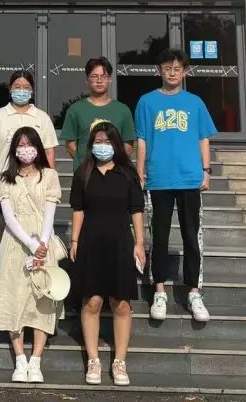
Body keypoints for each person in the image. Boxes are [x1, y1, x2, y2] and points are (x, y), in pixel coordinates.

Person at [135, 48, 216, 324]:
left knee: (192, 236)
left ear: (185, 72)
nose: (172, 73)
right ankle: (159, 291)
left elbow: (203, 138)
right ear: (160, 70)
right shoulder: (147, 102)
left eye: (177, 68)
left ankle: (194, 292)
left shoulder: (195, 103)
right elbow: (142, 139)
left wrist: (206, 170)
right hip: (159, 179)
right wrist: (140, 171)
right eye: (167, 68)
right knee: (158, 236)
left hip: (189, 178)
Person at [69, 121, 145, 386]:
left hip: (121, 243)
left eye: (107, 142)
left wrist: (139, 243)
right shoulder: (83, 173)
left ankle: (120, 361)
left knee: (121, 303)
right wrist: (74, 239)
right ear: (91, 145)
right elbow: (78, 209)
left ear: (117, 145)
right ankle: (93, 360)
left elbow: (136, 210)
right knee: (92, 302)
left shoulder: (128, 174)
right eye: (98, 142)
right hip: (90, 242)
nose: (102, 146)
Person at [0, 126, 63, 383]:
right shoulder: (5, 179)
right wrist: (31, 245)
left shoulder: (49, 176)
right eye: (20, 145)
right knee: (13, 296)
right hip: (15, 243)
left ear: (38, 147)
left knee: (42, 299)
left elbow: (50, 213)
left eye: (29, 144)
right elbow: (9, 218)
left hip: (43, 240)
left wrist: (42, 244)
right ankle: (20, 359)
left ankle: (36, 360)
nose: (25, 150)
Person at [0, 71, 57, 207]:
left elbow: (49, 151)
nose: (21, 91)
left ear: (32, 90)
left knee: (34, 219)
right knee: (5, 220)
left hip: (35, 181)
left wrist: (50, 180)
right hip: (3, 179)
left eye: (26, 87)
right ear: (10, 89)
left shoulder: (42, 117)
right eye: (17, 87)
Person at [59, 56, 136, 172]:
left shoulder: (123, 110)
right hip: (85, 173)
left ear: (110, 79)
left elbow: (128, 145)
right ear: (87, 80)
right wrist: (84, 162)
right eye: (94, 76)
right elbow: (70, 144)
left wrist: (113, 165)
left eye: (104, 76)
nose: (99, 80)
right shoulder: (75, 109)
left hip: (115, 174)